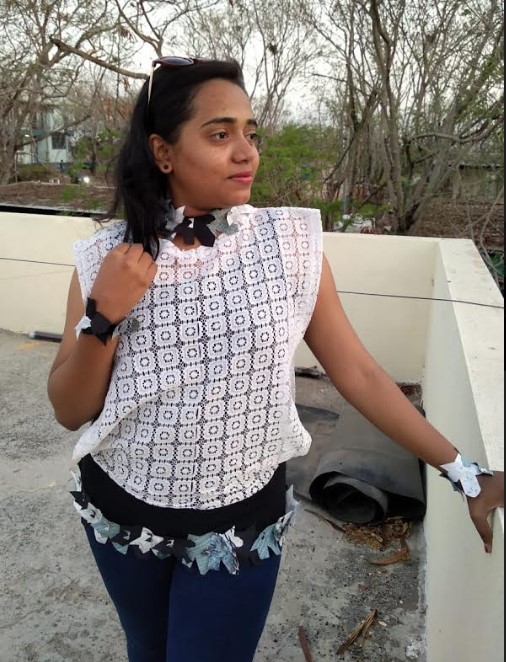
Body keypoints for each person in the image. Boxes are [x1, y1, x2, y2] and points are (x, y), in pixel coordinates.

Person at [47, 57, 504, 662]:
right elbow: (70, 409)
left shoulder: (289, 245)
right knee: (147, 650)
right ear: (163, 151)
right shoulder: (104, 257)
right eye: (220, 134)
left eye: (251, 132)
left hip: (239, 524)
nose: (247, 152)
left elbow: (359, 373)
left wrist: (464, 472)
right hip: (122, 516)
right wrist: (103, 315)